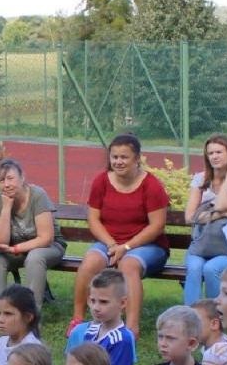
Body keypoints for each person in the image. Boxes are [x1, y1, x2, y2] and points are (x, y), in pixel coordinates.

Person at [69, 133, 170, 338]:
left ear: (137, 159)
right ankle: (78, 320)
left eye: (124, 157)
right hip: (109, 243)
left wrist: (126, 247)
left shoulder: (152, 185)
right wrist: (112, 244)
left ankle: (130, 329)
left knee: (128, 265)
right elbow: (94, 220)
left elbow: (157, 226)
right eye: (114, 157)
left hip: (148, 246)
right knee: (89, 262)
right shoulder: (101, 181)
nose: (118, 162)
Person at [0, 159, 64, 306]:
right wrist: (6, 208)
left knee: (35, 257)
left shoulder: (37, 195)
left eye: (10, 178)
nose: (6, 184)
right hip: (16, 250)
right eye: (1, 180)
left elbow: (46, 238)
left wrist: (15, 249)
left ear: (22, 178)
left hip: (49, 248)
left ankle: (31, 315)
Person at [182, 134, 227, 303]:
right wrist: (226, 214)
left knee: (211, 268)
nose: (214, 156)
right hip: (200, 246)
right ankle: (190, 316)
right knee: (195, 268)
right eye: (210, 153)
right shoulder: (200, 179)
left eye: (219, 152)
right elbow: (190, 217)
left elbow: (221, 204)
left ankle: (215, 315)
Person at [64, 268, 137, 365]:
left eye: (103, 302)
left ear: (123, 303)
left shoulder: (121, 339)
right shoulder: (91, 331)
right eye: (93, 301)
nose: (96, 308)